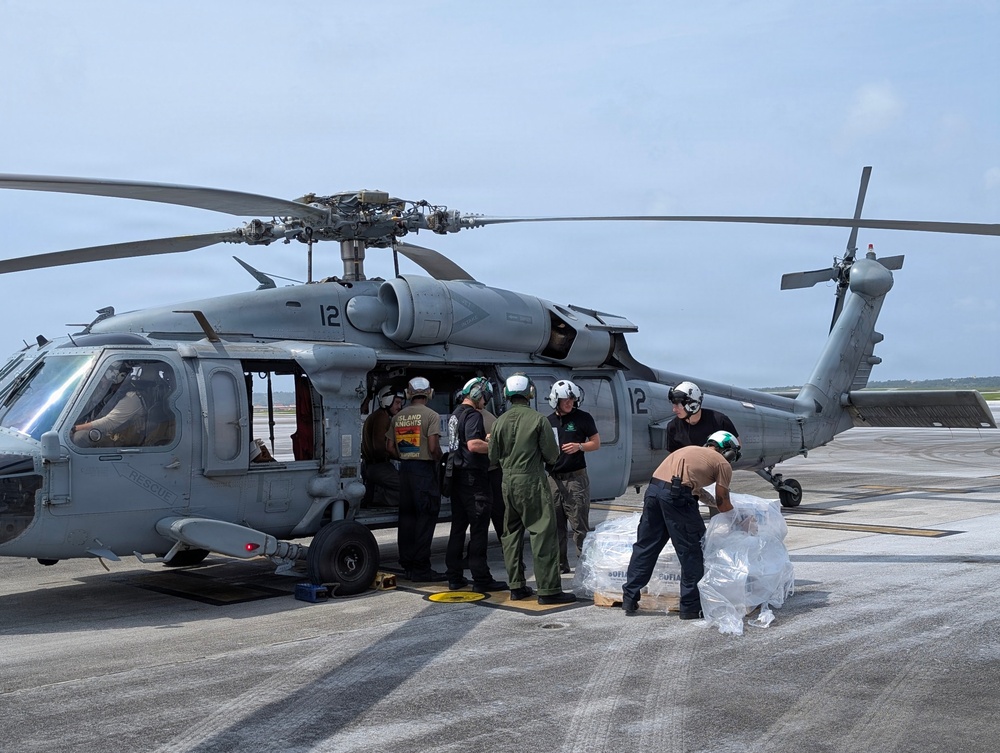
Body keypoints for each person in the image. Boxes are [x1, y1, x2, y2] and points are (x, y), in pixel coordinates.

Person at [621, 430, 742, 619]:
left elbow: (697, 490)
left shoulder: (690, 450)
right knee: (692, 552)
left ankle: (629, 597)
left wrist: (710, 501)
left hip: (653, 492)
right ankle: (690, 607)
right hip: (677, 498)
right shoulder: (722, 463)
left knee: (646, 546)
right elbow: (722, 502)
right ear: (728, 451)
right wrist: (739, 518)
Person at [488, 374, 576, 605]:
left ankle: (516, 586)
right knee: (543, 533)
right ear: (530, 393)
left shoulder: (498, 422)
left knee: (511, 534)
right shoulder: (539, 420)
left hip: (508, 483)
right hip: (532, 481)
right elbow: (552, 455)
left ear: (507, 395)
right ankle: (548, 590)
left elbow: (492, 457)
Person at [444, 377, 508, 592]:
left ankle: (454, 576)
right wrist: (494, 445)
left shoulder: (455, 415)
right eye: (485, 398)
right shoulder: (473, 415)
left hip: (456, 477)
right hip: (474, 479)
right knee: (479, 529)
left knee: (458, 528)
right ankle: (481, 578)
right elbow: (473, 445)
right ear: (477, 395)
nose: (485, 403)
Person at [388, 376, 447, 582]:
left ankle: (408, 564)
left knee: (406, 519)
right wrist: (439, 459)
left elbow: (390, 448)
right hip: (424, 471)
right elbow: (433, 447)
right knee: (425, 519)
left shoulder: (398, 417)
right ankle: (422, 568)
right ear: (429, 393)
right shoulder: (431, 415)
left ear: (408, 394)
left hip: (405, 470)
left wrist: (406, 458)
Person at [546, 379, 600, 574]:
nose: (569, 403)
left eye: (571, 399)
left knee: (579, 525)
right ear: (555, 400)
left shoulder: (583, 418)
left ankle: (585, 568)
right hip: (553, 479)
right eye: (565, 400)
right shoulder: (547, 422)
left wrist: (579, 447)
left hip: (576, 479)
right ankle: (560, 565)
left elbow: (596, 443)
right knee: (556, 525)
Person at [72, 364, 160, 448]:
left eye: (105, 380)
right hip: (110, 434)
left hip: (119, 439)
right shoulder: (112, 394)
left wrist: (75, 428)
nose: (102, 383)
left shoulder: (132, 397)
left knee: (80, 437)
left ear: (119, 377)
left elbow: (109, 423)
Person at [666, 380, 739, 453]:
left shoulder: (719, 421)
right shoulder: (673, 427)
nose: (674, 410)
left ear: (692, 404)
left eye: (678, 405)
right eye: (673, 404)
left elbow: (737, 444)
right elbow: (673, 456)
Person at [361, 384, 405, 507]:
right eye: (396, 402)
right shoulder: (382, 417)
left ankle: (374, 496)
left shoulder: (377, 416)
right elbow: (379, 446)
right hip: (378, 466)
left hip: (371, 466)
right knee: (407, 486)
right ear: (387, 400)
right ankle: (377, 498)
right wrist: (401, 455)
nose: (399, 406)